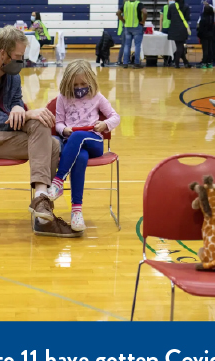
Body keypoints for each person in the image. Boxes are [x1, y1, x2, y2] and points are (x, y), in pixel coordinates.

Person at [0, 26, 72, 236]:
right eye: (18, 56)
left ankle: (41, 204)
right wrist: (26, 114)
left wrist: (20, 107)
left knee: (48, 134)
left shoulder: (12, 76)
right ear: (3, 54)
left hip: (2, 132)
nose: (22, 60)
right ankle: (43, 211)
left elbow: (15, 103)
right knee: (49, 140)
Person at [47, 60, 120, 233]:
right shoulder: (62, 99)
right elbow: (58, 124)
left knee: (79, 136)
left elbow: (115, 117)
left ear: (90, 81)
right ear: (68, 83)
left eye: (83, 84)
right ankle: (76, 211)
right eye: (76, 84)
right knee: (79, 156)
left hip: (94, 142)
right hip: (72, 144)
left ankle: (58, 182)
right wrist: (64, 130)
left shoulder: (97, 97)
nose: (80, 87)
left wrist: (105, 125)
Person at [120, 0, 146, 69]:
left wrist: (123, 21)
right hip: (137, 26)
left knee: (127, 45)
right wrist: (143, 21)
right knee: (137, 45)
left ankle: (125, 63)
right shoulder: (138, 4)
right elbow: (145, 12)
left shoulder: (126, 4)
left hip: (127, 27)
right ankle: (136, 63)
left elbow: (118, 13)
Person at [167, 0, 191, 68]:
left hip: (174, 28)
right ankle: (182, 62)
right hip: (183, 28)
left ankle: (180, 62)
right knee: (180, 46)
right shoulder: (186, 6)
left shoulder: (171, 6)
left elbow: (168, 17)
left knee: (179, 46)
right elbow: (187, 18)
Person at [197, 4, 215, 69]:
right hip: (211, 35)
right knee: (210, 49)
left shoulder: (203, 19)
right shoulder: (212, 19)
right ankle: (209, 63)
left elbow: (200, 29)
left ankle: (204, 63)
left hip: (204, 36)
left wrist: (199, 35)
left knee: (205, 50)